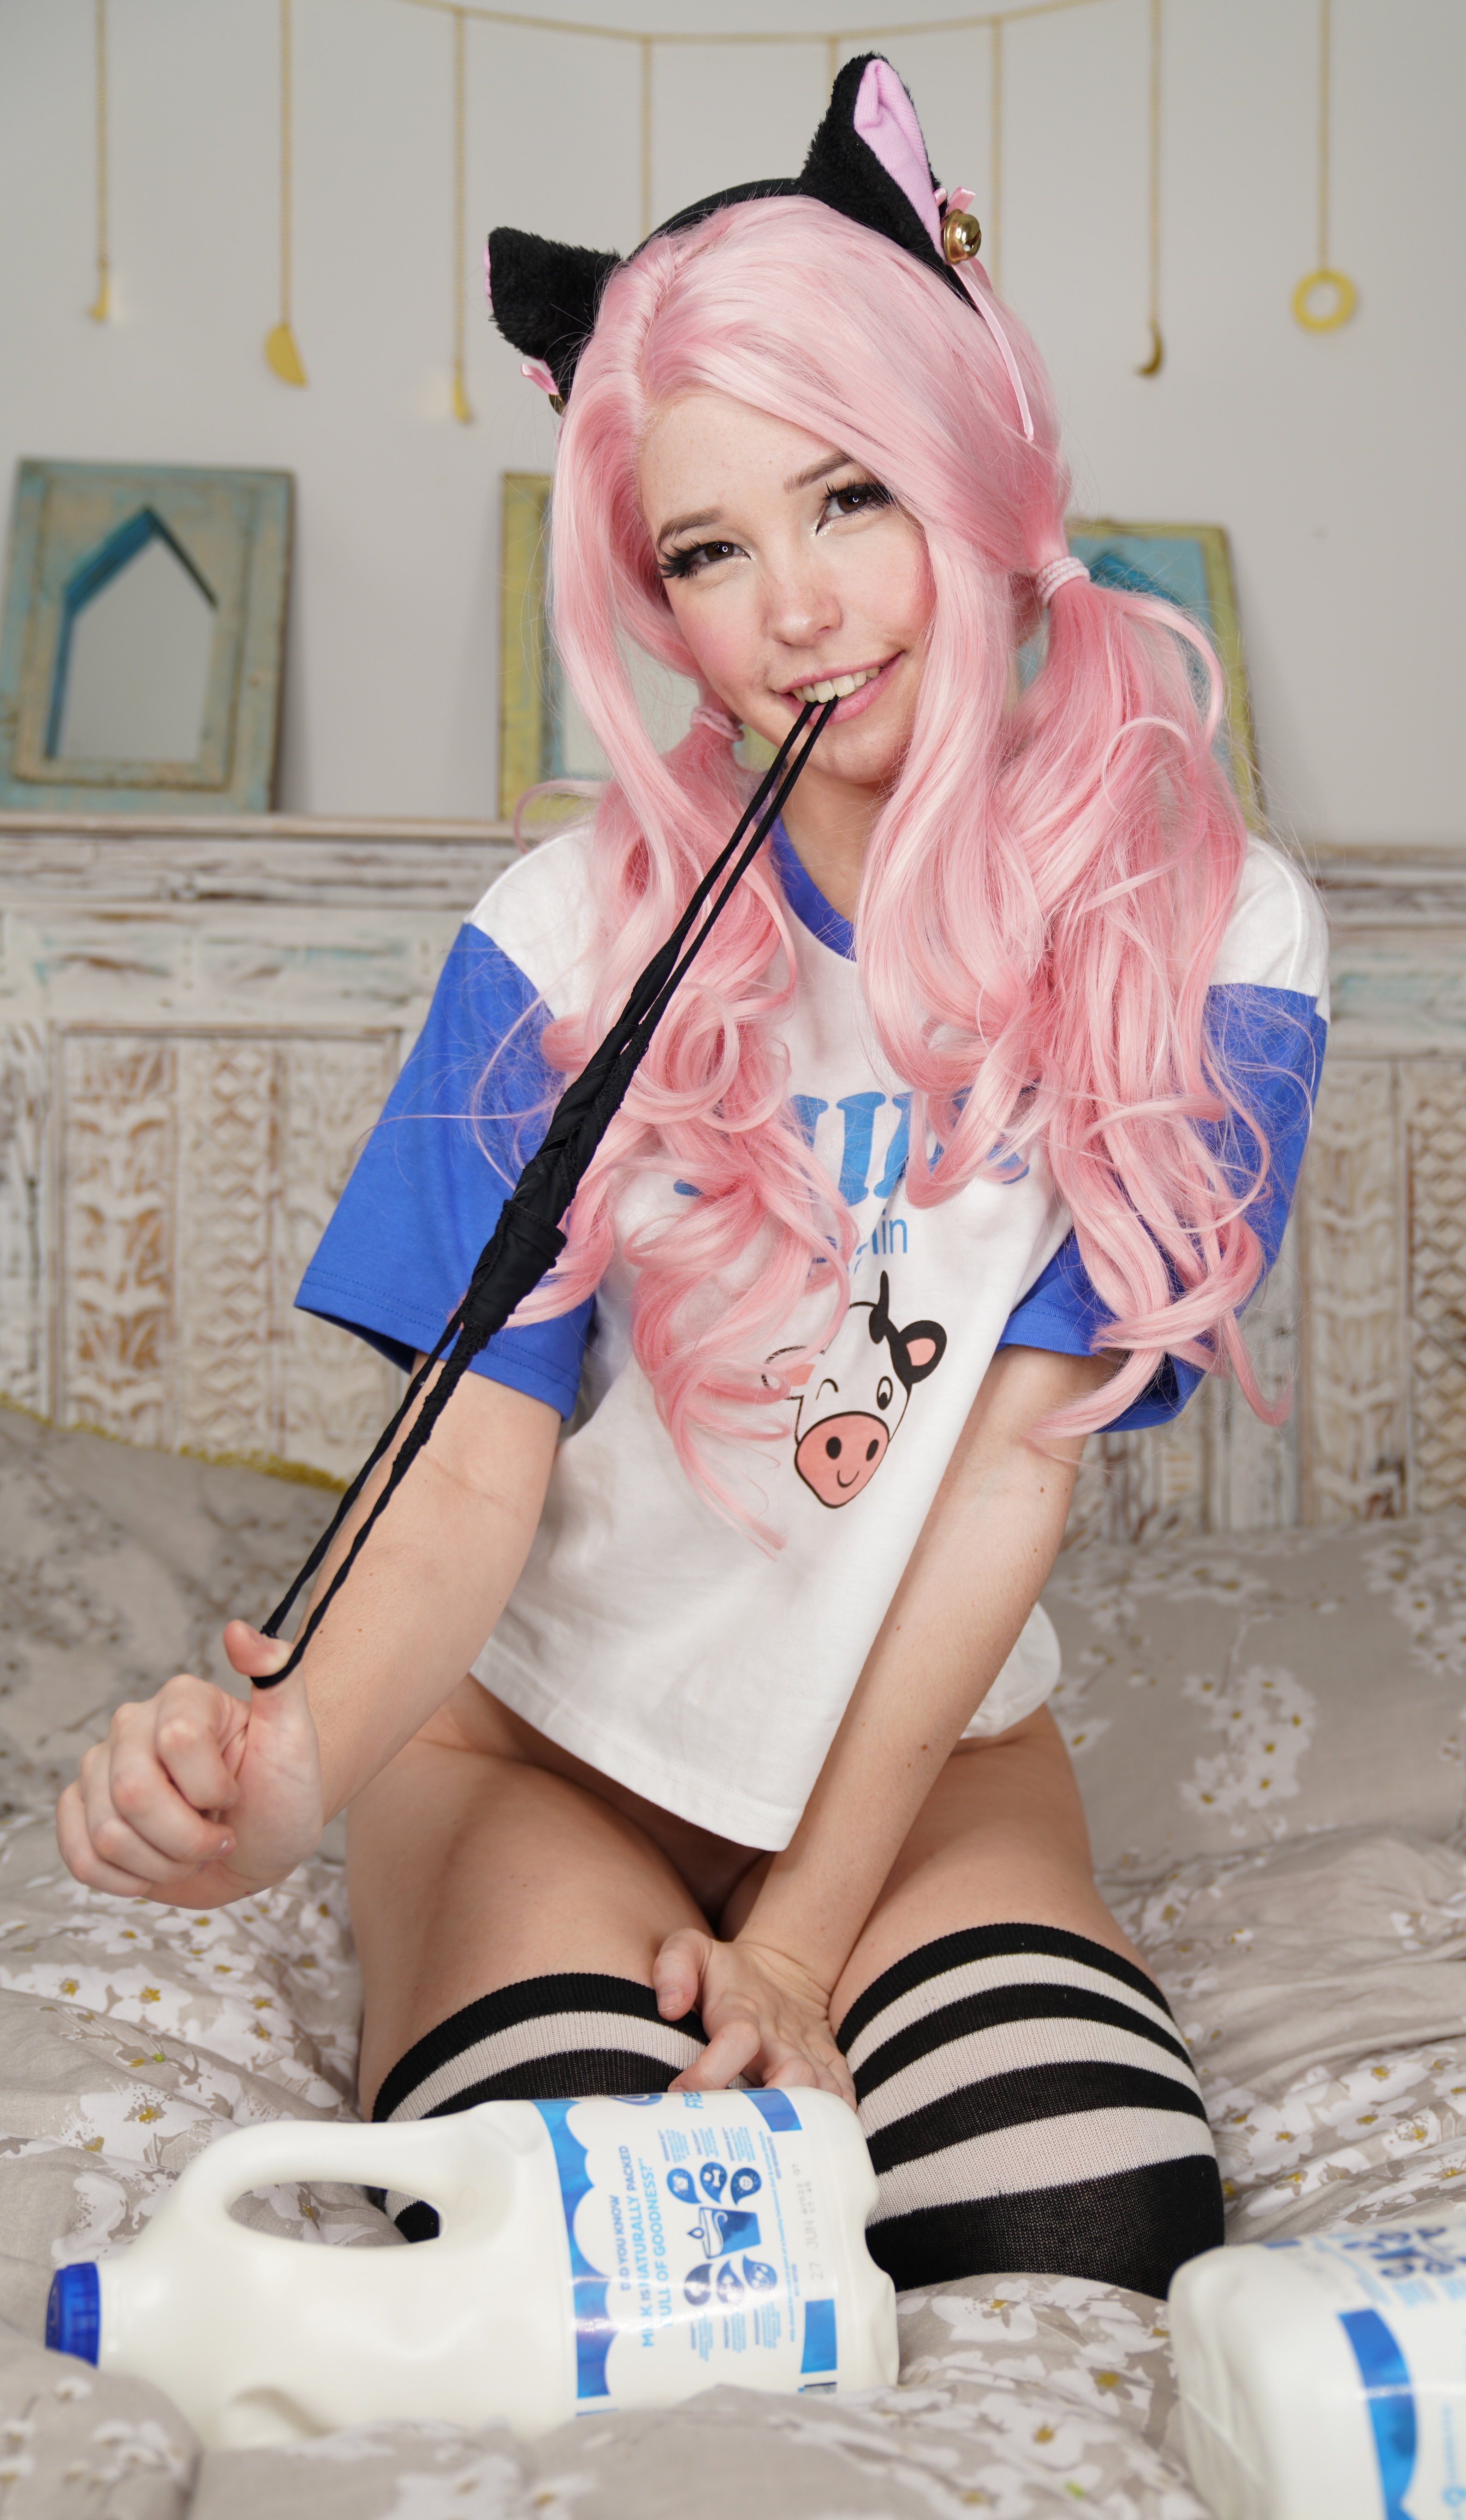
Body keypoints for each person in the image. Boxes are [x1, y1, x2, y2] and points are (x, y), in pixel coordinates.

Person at [54, 58, 1327, 2300]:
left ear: (975, 467)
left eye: (851, 499)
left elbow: (1012, 1472)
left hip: (923, 1773)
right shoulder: (557, 943)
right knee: (610, 2257)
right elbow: (465, 1477)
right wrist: (286, 1781)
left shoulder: (1215, 939)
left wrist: (805, 1947)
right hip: (534, 1749)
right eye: (710, 552)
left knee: (1082, 2225)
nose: (799, 611)